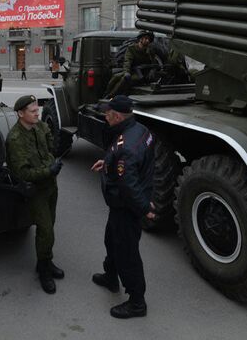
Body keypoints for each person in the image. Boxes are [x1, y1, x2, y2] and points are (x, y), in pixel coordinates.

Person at [90, 95, 155, 319]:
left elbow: (129, 183)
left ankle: (137, 303)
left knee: (127, 254)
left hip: (126, 208)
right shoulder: (139, 130)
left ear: (117, 116)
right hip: (120, 206)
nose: (105, 117)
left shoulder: (126, 146)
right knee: (111, 241)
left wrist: (144, 207)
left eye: (107, 114)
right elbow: (128, 164)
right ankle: (111, 277)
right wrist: (106, 163)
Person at [5, 95, 64, 294]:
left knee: (50, 226)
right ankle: (44, 270)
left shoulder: (39, 127)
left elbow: (49, 148)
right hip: (36, 190)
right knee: (45, 229)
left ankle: (45, 261)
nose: (37, 113)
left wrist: (55, 157)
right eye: (32, 111)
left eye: (37, 109)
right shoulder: (15, 138)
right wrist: (49, 171)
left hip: (51, 186)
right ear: (21, 114)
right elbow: (21, 173)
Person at [103, 31, 156, 98]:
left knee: (124, 80)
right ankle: (106, 93)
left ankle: (110, 96)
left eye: (149, 39)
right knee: (116, 76)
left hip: (143, 74)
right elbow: (127, 61)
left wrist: (152, 70)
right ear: (140, 39)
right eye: (145, 38)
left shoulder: (150, 51)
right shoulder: (132, 48)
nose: (147, 40)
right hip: (133, 70)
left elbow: (153, 63)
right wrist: (126, 72)